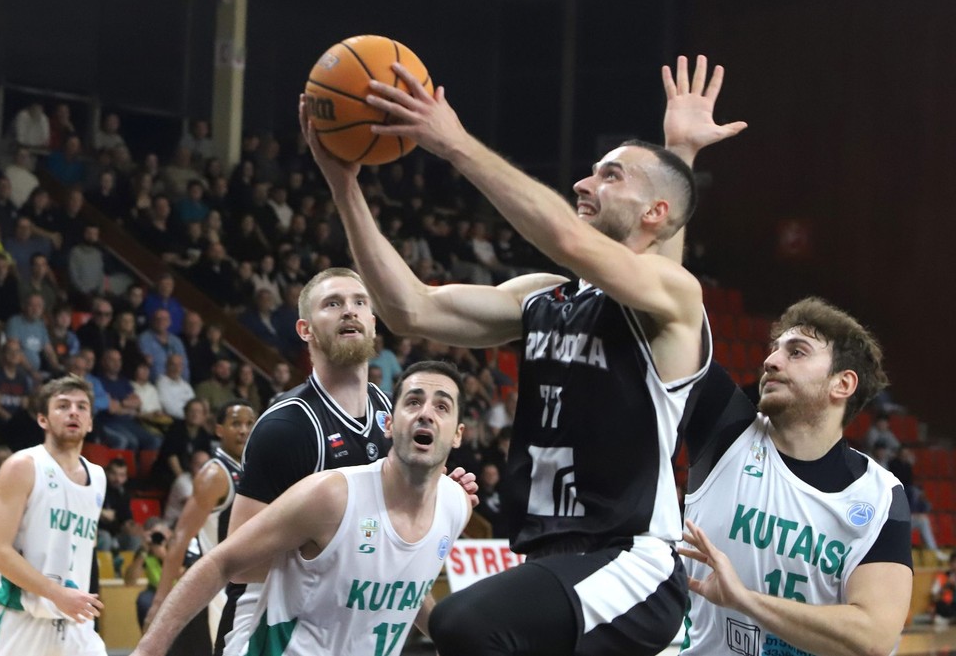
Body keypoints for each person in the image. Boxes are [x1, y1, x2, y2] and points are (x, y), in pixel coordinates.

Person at [301, 55, 744, 655]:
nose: (584, 184)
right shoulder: (542, 298)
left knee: (463, 624)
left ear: (654, 214)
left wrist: (454, 142)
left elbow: (569, 236)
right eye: (591, 173)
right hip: (549, 560)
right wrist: (344, 186)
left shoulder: (673, 299)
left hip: (628, 562)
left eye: (610, 176)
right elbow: (411, 310)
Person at [211, 268, 477, 656]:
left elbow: (390, 567)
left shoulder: (397, 415)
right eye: (333, 304)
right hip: (270, 631)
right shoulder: (287, 426)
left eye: (359, 303)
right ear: (305, 330)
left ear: (373, 322)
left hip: (348, 629)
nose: (348, 311)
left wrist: (433, 498)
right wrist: (327, 538)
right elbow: (241, 566)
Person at [132, 361, 472, 656]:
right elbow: (222, 562)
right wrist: (149, 648)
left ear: (458, 435)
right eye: (413, 402)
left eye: (442, 406)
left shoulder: (456, 506)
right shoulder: (330, 494)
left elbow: (404, 592)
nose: (426, 413)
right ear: (388, 423)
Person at [678, 298, 912, 656]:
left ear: (842, 384)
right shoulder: (725, 431)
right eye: (774, 350)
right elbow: (669, 316)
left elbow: (873, 637)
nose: (770, 361)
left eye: (797, 352)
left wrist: (744, 600)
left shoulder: (879, 496)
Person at [0, 374, 106, 656]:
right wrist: (57, 593)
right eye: (62, 405)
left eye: (82, 406)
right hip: (20, 619)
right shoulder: (22, 466)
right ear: (43, 420)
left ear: (91, 422)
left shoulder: (98, 477)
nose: (74, 411)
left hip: (74, 623)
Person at [144, 401, 256, 653]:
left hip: (244, 586)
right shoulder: (214, 475)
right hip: (216, 590)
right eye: (235, 423)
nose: (243, 430)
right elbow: (180, 539)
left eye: (249, 424)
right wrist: (160, 600)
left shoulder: (251, 470)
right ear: (219, 430)